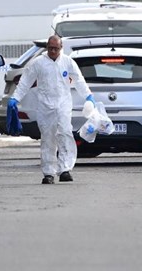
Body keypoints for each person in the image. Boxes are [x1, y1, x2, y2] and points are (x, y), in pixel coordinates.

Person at [8, 35, 94, 184]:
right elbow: (25, 82)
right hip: (45, 106)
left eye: (56, 48)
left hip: (63, 105)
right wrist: (15, 98)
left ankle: (65, 169)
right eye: (50, 48)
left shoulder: (68, 62)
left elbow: (79, 80)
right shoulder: (38, 63)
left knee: (65, 134)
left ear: (61, 48)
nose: (53, 51)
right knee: (48, 138)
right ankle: (48, 172)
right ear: (47, 47)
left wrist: (88, 96)